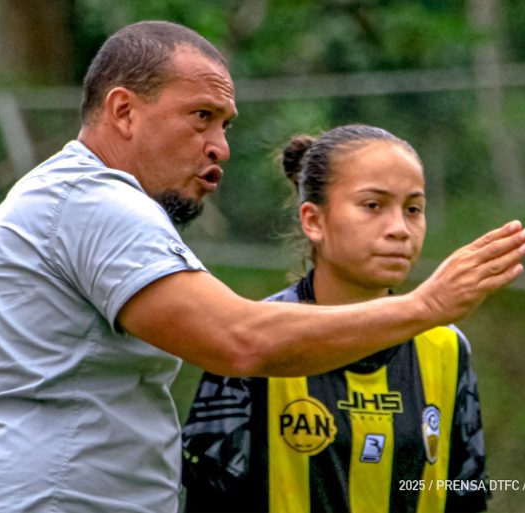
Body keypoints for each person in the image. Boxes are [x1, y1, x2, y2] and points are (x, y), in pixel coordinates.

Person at [0, 21, 525, 513]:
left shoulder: (74, 198)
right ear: (124, 111)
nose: (221, 146)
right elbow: (238, 340)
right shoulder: (94, 201)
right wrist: (425, 305)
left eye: (225, 124)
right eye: (201, 117)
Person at [182, 124, 490, 513]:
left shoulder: (447, 347)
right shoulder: (253, 340)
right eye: (373, 205)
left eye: (413, 209)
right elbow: (208, 497)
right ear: (313, 221)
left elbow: (465, 496)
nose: (399, 229)